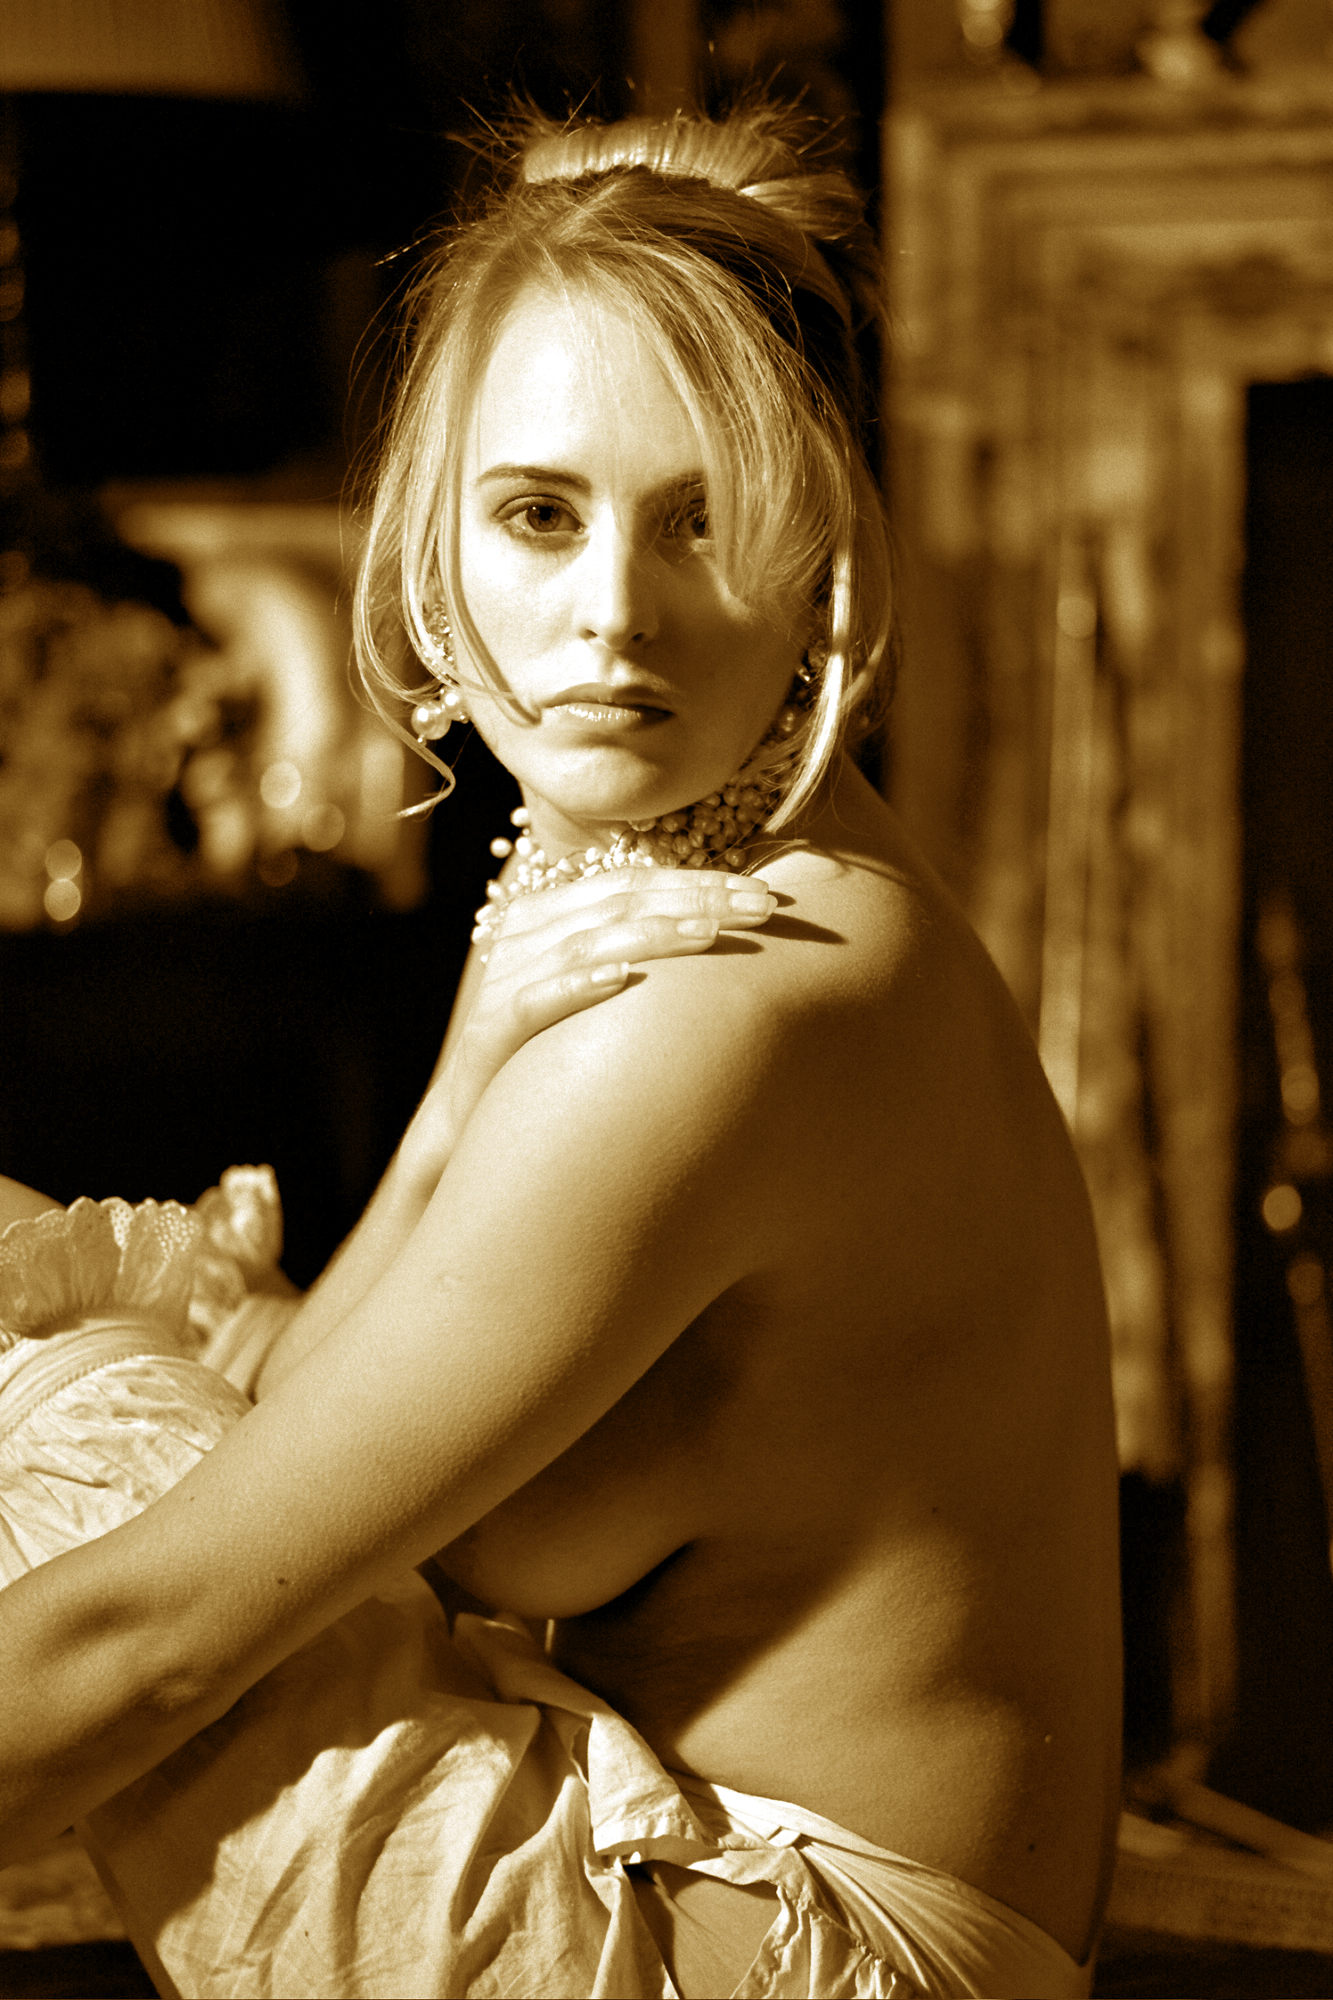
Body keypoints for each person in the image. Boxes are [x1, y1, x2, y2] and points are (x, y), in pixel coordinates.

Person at [0, 103, 1121, 2000]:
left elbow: (162, 1638)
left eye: (705, 518)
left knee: (56, 1435)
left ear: (823, 553)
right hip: (741, 1894)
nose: (612, 615)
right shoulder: (710, 876)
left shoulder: (737, 991)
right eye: (540, 514)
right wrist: (461, 1085)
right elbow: (314, 1456)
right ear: (433, 552)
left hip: (772, 1961)